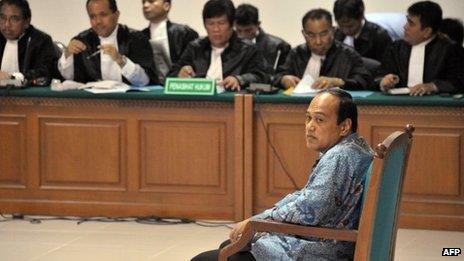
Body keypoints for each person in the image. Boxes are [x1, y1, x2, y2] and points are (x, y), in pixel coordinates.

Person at [191, 88, 374, 260]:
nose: (310, 126)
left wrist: (256, 222)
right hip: (327, 240)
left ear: (344, 126)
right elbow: (308, 199)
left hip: (321, 249)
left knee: (204, 258)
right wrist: (263, 219)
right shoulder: (355, 146)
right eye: (308, 118)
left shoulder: (339, 157)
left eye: (319, 120)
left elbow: (308, 211)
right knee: (233, 244)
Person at [168, 0, 269, 92]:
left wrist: (240, 79)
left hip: (233, 105)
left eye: (221, 23)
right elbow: (169, 76)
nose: (216, 29)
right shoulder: (195, 48)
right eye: (210, 24)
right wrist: (179, 74)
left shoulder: (248, 49)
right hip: (198, 104)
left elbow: (263, 77)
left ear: (232, 24)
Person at [58, 0, 158, 86]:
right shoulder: (82, 40)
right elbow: (69, 79)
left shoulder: (136, 39)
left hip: (131, 103)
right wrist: (67, 54)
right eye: (92, 16)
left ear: (116, 15)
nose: (98, 21)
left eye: (103, 15)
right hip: (93, 103)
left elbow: (145, 81)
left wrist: (121, 60)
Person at [378, 1, 464, 95]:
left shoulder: (450, 50)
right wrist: (384, 81)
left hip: (436, 108)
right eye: (407, 21)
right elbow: (378, 75)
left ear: (427, 31)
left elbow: (458, 82)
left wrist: (433, 86)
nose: (405, 26)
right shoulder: (396, 48)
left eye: (411, 23)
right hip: (396, 106)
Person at [275, 8, 371, 90]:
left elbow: (364, 80)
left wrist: (338, 82)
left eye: (323, 34)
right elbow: (277, 76)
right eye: (311, 35)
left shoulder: (349, 55)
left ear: (333, 31)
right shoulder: (296, 53)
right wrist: (283, 79)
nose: (318, 41)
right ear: (304, 34)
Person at [0, 0, 57, 86]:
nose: (7, 24)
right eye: (3, 17)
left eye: (14, 19)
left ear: (26, 22)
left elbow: (45, 73)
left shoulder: (41, 41)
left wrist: (12, 77)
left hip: (31, 98)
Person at [141, 0, 198, 83]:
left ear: (166, 6)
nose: (145, 5)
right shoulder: (140, 36)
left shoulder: (185, 33)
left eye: (151, 1)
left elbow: (194, 63)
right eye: (143, 2)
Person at [234, 3, 291, 72]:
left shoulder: (280, 47)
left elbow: (281, 76)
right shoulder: (228, 44)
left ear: (258, 24)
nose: (243, 35)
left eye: (248, 30)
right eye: (239, 30)